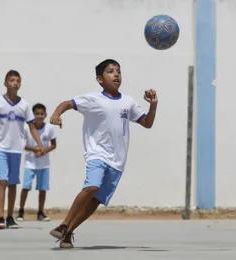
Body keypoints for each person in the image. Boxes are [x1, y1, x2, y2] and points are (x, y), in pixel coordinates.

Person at [49, 59, 158, 248]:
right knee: (92, 186)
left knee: (96, 200)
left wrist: (153, 105)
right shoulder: (93, 99)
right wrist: (57, 114)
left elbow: (147, 123)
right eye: (110, 71)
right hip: (97, 154)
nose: (116, 74)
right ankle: (64, 224)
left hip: (118, 161)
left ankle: (68, 233)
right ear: (100, 79)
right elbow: (67, 103)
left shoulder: (128, 102)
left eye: (118, 71)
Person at [0, 70, 45, 230]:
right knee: (1, 181)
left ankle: (10, 216)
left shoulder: (24, 105)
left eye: (17, 80)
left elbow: (32, 127)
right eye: (11, 80)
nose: (15, 83)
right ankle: (0, 217)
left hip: (16, 149)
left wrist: (39, 144)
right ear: (5, 83)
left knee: (12, 183)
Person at [17, 103, 57, 222]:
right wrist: (34, 149)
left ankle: (40, 212)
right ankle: (21, 211)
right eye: (37, 114)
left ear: (45, 115)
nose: (39, 116)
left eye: (42, 114)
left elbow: (54, 144)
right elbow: (21, 144)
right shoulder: (26, 128)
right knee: (26, 187)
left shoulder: (49, 128)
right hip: (30, 163)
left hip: (44, 164)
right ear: (33, 115)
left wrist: (43, 151)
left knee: (42, 188)